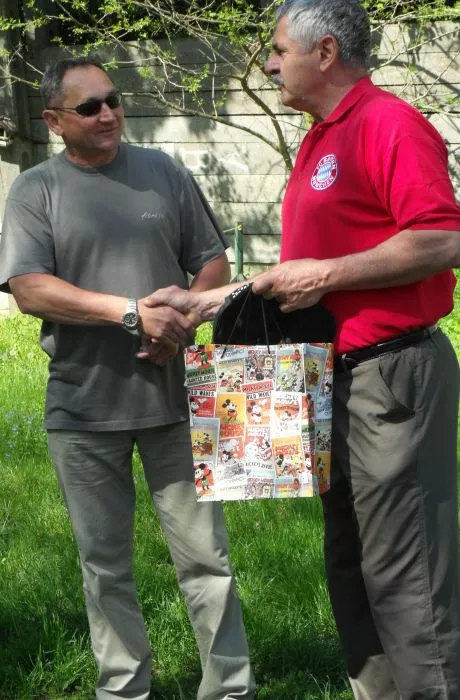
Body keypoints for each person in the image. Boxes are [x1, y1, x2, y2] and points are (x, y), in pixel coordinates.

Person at [145, 1, 460, 698]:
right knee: (351, 562)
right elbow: (304, 271)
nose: (268, 64)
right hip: (326, 376)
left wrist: (326, 275)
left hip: (391, 377)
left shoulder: (388, 125)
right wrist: (208, 303)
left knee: (405, 572)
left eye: (278, 50)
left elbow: (443, 239)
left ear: (324, 53)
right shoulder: (322, 136)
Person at [0, 57, 255, 700]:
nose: (108, 113)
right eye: (88, 107)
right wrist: (132, 315)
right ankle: (123, 688)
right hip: (83, 408)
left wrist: (180, 324)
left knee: (207, 560)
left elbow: (212, 264)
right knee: (105, 565)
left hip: (176, 401)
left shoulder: (163, 172)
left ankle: (230, 689)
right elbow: (30, 289)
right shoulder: (35, 190)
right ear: (54, 120)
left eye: (112, 100)